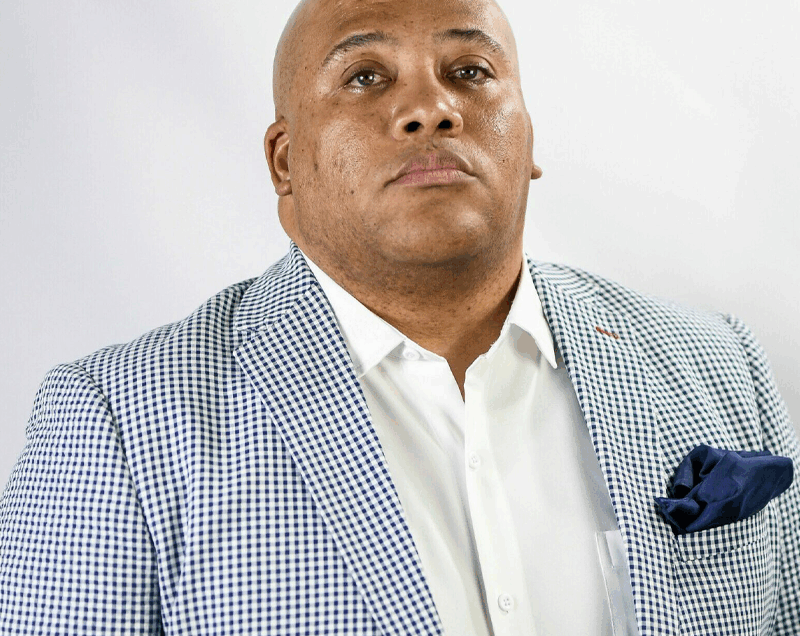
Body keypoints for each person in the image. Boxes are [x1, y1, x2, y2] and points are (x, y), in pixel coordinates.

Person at [1, 0, 798, 633]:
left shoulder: (719, 363)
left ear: (529, 138)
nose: (431, 108)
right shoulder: (115, 422)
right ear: (285, 161)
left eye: (470, 70)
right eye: (365, 77)